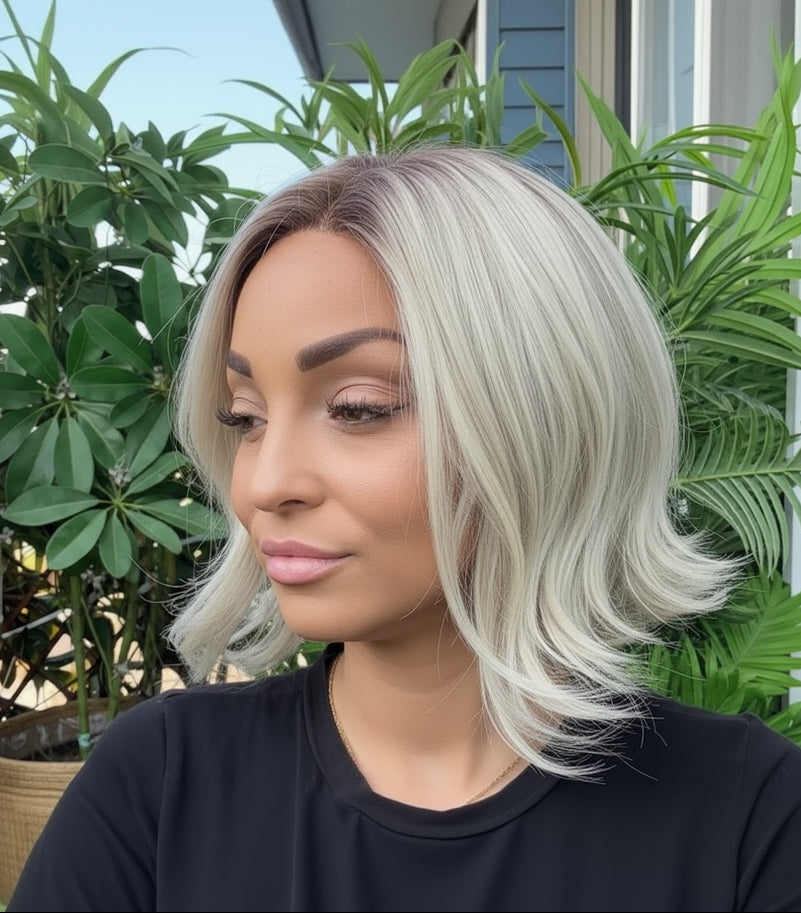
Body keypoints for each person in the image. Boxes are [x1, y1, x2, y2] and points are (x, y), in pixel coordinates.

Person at [8, 145, 801, 913]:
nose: (266, 482)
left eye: (358, 408)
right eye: (243, 417)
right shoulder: (159, 784)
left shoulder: (752, 818)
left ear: (545, 419)